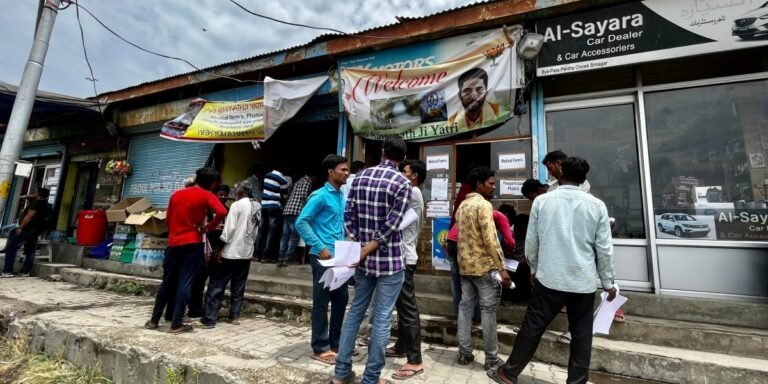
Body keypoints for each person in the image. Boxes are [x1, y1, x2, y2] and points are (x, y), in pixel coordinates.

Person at [488, 157, 616, 384]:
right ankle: (576, 381)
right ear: (583, 178)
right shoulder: (597, 206)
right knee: (582, 335)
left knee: (532, 327)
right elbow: (604, 249)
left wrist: (535, 269)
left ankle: (509, 373)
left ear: (562, 171)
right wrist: (608, 282)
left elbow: (532, 243)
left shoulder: (543, 202)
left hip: (549, 279)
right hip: (582, 282)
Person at [331, 137, 412, 384]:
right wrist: (367, 249)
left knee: (355, 312)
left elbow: (348, 214)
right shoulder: (403, 183)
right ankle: (371, 378)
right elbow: (391, 225)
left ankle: (341, 373)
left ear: (383, 152)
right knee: (383, 318)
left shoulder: (360, 177)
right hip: (389, 262)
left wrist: (357, 244)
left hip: (361, 262)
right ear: (403, 159)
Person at [144, 168, 227, 334]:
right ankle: (176, 324)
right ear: (212, 184)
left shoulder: (177, 194)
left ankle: (154, 320)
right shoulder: (206, 194)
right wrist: (208, 228)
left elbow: (168, 220)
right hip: (193, 243)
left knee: (167, 282)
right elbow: (222, 211)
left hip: (174, 243)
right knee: (185, 283)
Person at [454, 166, 512, 371]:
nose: (493, 187)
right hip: (484, 268)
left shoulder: (462, 206)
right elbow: (491, 239)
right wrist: (502, 268)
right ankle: (492, 359)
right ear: (479, 184)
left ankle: (464, 353)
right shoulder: (484, 205)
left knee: (465, 308)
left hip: (465, 267)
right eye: (490, 183)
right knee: (488, 311)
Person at [296, 155, 350, 365]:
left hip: (340, 257)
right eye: (343, 170)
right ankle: (320, 347)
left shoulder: (341, 197)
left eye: (347, 170)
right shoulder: (319, 196)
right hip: (322, 258)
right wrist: (319, 247)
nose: (346, 173)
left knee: (341, 299)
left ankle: (336, 343)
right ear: (330, 171)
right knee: (321, 301)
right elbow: (302, 223)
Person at [198, 183, 260, 328]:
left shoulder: (236, 206)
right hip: (246, 252)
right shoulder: (257, 206)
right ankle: (234, 316)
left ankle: (209, 318)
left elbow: (229, 229)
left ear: (239, 192)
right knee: (238, 285)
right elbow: (256, 231)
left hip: (231, 251)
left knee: (217, 284)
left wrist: (220, 247)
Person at [386, 159, 426, 380]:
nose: (401, 174)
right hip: (403, 255)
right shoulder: (412, 191)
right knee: (402, 306)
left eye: (405, 171)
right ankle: (402, 346)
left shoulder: (413, 193)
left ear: (415, 176)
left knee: (408, 308)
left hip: (404, 257)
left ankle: (415, 360)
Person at [188, 184, 230, 318]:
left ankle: (209, 311)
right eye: (220, 194)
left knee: (215, 282)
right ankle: (194, 309)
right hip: (205, 250)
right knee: (199, 281)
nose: (223, 197)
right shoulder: (207, 209)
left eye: (225, 194)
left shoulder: (228, 210)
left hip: (218, 249)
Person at [1, 188, 51, 277]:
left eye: (35, 192)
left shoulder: (36, 203)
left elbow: (29, 216)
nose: (33, 193)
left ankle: (8, 270)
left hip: (27, 229)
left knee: (11, 247)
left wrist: (20, 227)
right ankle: (25, 271)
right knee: (30, 250)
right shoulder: (47, 204)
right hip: (36, 230)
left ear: (38, 194)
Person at [279, 173, 315, 267]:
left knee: (285, 235)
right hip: (296, 210)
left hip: (287, 210)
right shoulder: (308, 181)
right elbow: (303, 195)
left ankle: (281, 257)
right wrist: (309, 204)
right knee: (294, 235)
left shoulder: (297, 181)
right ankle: (287, 258)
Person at [256, 167, 289, 263]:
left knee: (261, 229)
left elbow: (263, 187)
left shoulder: (267, 175)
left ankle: (257, 254)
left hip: (264, 205)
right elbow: (285, 192)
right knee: (271, 231)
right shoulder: (282, 179)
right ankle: (267, 256)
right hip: (274, 206)